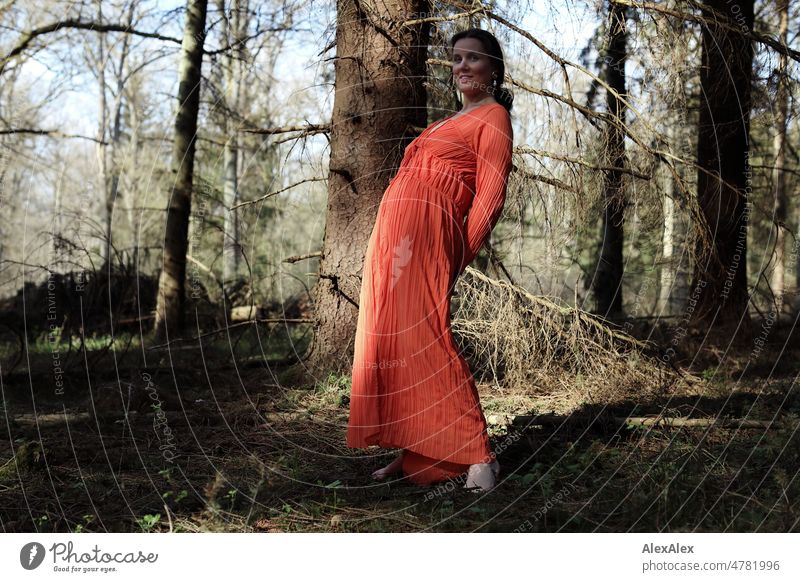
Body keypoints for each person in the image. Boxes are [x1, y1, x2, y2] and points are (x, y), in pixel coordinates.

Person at [346, 28, 514, 492]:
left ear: (493, 69)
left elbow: (491, 196)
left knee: (425, 334)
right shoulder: (445, 122)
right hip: (394, 233)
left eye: (473, 59)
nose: (462, 66)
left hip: (429, 233)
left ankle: (479, 454)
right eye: (456, 59)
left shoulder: (494, 117)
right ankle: (417, 445)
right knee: (390, 331)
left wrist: (458, 253)